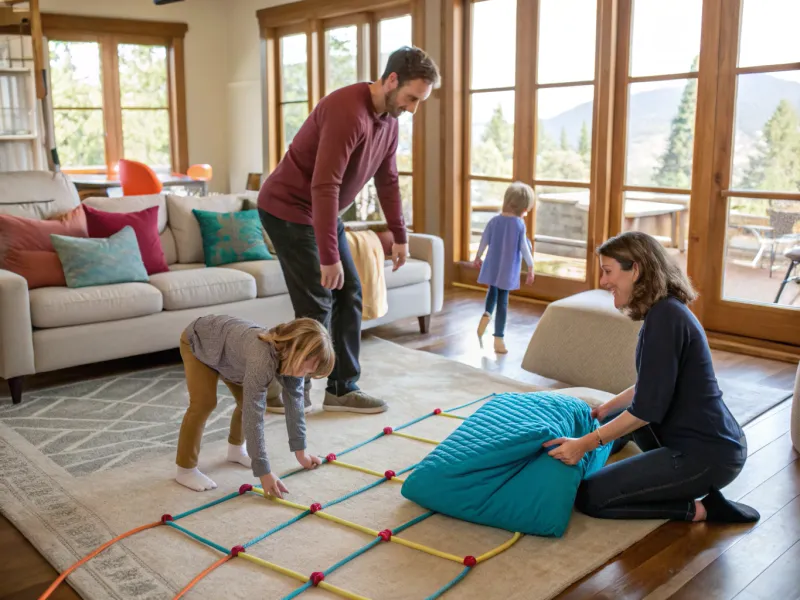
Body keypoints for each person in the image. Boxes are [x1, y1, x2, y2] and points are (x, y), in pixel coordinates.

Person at [257, 46, 440, 415]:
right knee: (318, 300)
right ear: (391, 81)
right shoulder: (347, 111)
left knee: (350, 290)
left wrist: (400, 235)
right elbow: (324, 186)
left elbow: (388, 179)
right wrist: (328, 258)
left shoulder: (389, 120)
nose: (412, 108)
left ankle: (342, 388)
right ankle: (287, 389)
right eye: (411, 98)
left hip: (321, 211)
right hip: (288, 210)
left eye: (419, 101)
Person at [544, 231, 760, 524]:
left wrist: (584, 444)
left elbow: (646, 409)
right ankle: (604, 451)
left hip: (705, 456)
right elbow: (653, 384)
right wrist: (607, 408)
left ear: (636, 269)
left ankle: (702, 510)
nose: (604, 281)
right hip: (698, 438)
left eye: (608, 271)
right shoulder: (663, 311)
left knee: (591, 496)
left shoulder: (666, 318)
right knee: (613, 417)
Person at [175, 315, 335, 499]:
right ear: (295, 352)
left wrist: (301, 453)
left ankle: (236, 450)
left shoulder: (291, 359)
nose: (304, 375)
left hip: (231, 355)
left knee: (245, 400)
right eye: (306, 370)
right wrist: (263, 472)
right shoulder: (261, 359)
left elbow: (295, 406)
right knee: (204, 403)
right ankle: (185, 470)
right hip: (200, 341)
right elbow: (254, 415)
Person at [472, 181, 535, 354]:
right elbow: (524, 248)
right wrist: (531, 267)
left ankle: (486, 314)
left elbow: (484, 240)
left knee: (492, 291)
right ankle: (498, 339)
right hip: (507, 270)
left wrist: (478, 257)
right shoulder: (519, 225)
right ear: (524, 210)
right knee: (503, 302)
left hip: (492, 265)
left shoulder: (494, 221)